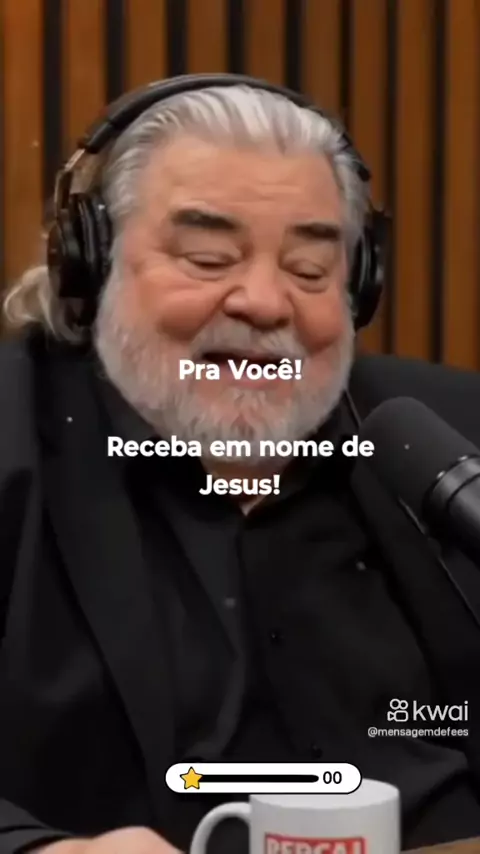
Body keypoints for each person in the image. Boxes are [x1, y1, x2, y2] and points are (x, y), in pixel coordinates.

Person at [1, 73, 480, 854]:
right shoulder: (12, 442)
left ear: (358, 288)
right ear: (89, 263)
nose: (264, 302)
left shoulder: (453, 438)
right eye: (207, 257)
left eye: (310, 270)